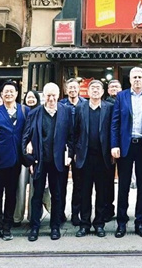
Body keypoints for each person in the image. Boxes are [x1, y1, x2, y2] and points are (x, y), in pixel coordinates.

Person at [111, 67, 142, 238]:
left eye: (140, 77)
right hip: (126, 145)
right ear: (130, 79)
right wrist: (114, 145)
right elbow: (115, 123)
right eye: (135, 77)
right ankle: (121, 223)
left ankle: (140, 223)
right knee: (123, 186)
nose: (137, 79)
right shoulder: (121, 96)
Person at [22, 82, 74, 241]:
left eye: (54, 95)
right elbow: (25, 137)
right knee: (36, 195)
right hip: (39, 161)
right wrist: (30, 161)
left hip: (58, 161)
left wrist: (70, 154)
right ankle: (34, 227)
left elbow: (72, 136)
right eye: (48, 95)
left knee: (57, 195)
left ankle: (55, 227)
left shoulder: (66, 112)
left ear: (59, 96)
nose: (51, 99)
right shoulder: (34, 113)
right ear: (43, 96)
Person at [0, 82, 27, 242]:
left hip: (16, 161)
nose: (8, 94)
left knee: (11, 195)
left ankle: (7, 226)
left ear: (16, 93)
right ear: (2, 94)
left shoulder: (24, 111)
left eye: (11, 91)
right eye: (5, 92)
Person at [73, 80, 114, 237]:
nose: (95, 90)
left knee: (101, 192)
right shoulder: (80, 108)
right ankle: (84, 224)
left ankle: (99, 224)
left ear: (103, 92)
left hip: (103, 157)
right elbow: (74, 132)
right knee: (85, 192)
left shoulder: (109, 108)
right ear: (88, 92)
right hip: (85, 156)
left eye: (98, 88)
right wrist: (74, 152)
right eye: (92, 88)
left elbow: (113, 131)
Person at [14, 90, 44, 227]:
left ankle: (34, 216)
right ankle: (17, 217)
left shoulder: (41, 112)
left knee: (35, 187)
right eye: (28, 97)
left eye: (33, 97)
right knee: (19, 186)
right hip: (22, 153)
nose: (30, 99)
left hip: (36, 154)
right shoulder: (20, 111)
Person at [59, 78, 86, 226]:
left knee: (79, 184)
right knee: (60, 183)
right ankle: (60, 213)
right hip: (63, 148)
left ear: (79, 89)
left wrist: (78, 150)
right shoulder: (60, 105)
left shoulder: (85, 104)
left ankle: (76, 214)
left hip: (79, 149)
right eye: (70, 87)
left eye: (75, 87)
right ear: (65, 89)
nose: (72, 90)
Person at [104, 79, 121, 221]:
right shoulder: (105, 105)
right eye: (112, 87)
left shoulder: (124, 103)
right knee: (108, 180)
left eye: (117, 86)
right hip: (109, 147)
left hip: (125, 146)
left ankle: (121, 209)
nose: (114, 89)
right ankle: (108, 209)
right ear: (108, 90)